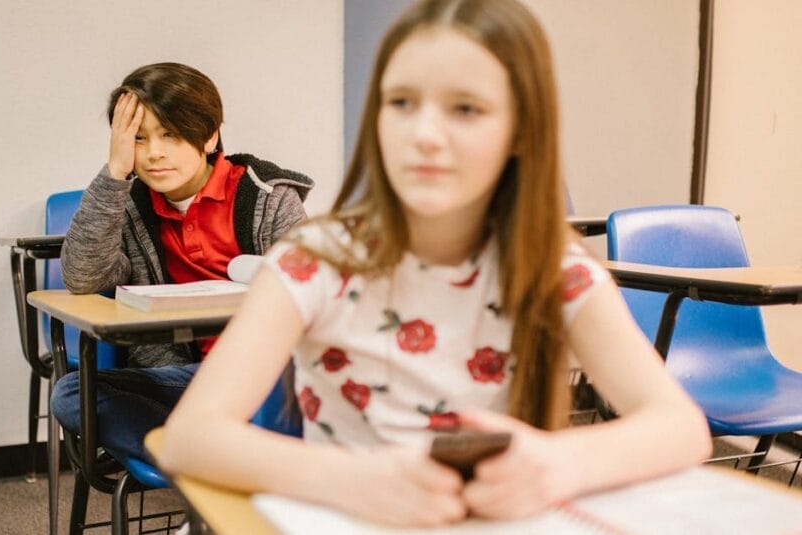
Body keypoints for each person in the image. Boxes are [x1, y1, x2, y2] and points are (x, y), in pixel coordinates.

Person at [157, 0, 711, 528]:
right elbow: (192, 436)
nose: (423, 135)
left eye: (465, 109)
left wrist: (560, 462)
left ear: (521, 129)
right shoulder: (315, 260)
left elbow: (681, 427)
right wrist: (353, 480)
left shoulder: (553, 269)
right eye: (400, 103)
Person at [50, 62, 313, 463]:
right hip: (188, 379)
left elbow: (309, 299)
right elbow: (83, 276)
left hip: (266, 376)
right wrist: (115, 172)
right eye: (138, 139)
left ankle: (206, 454)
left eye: (170, 135)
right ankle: (213, 461)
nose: (154, 154)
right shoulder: (130, 206)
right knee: (72, 394)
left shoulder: (267, 196)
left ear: (208, 136)